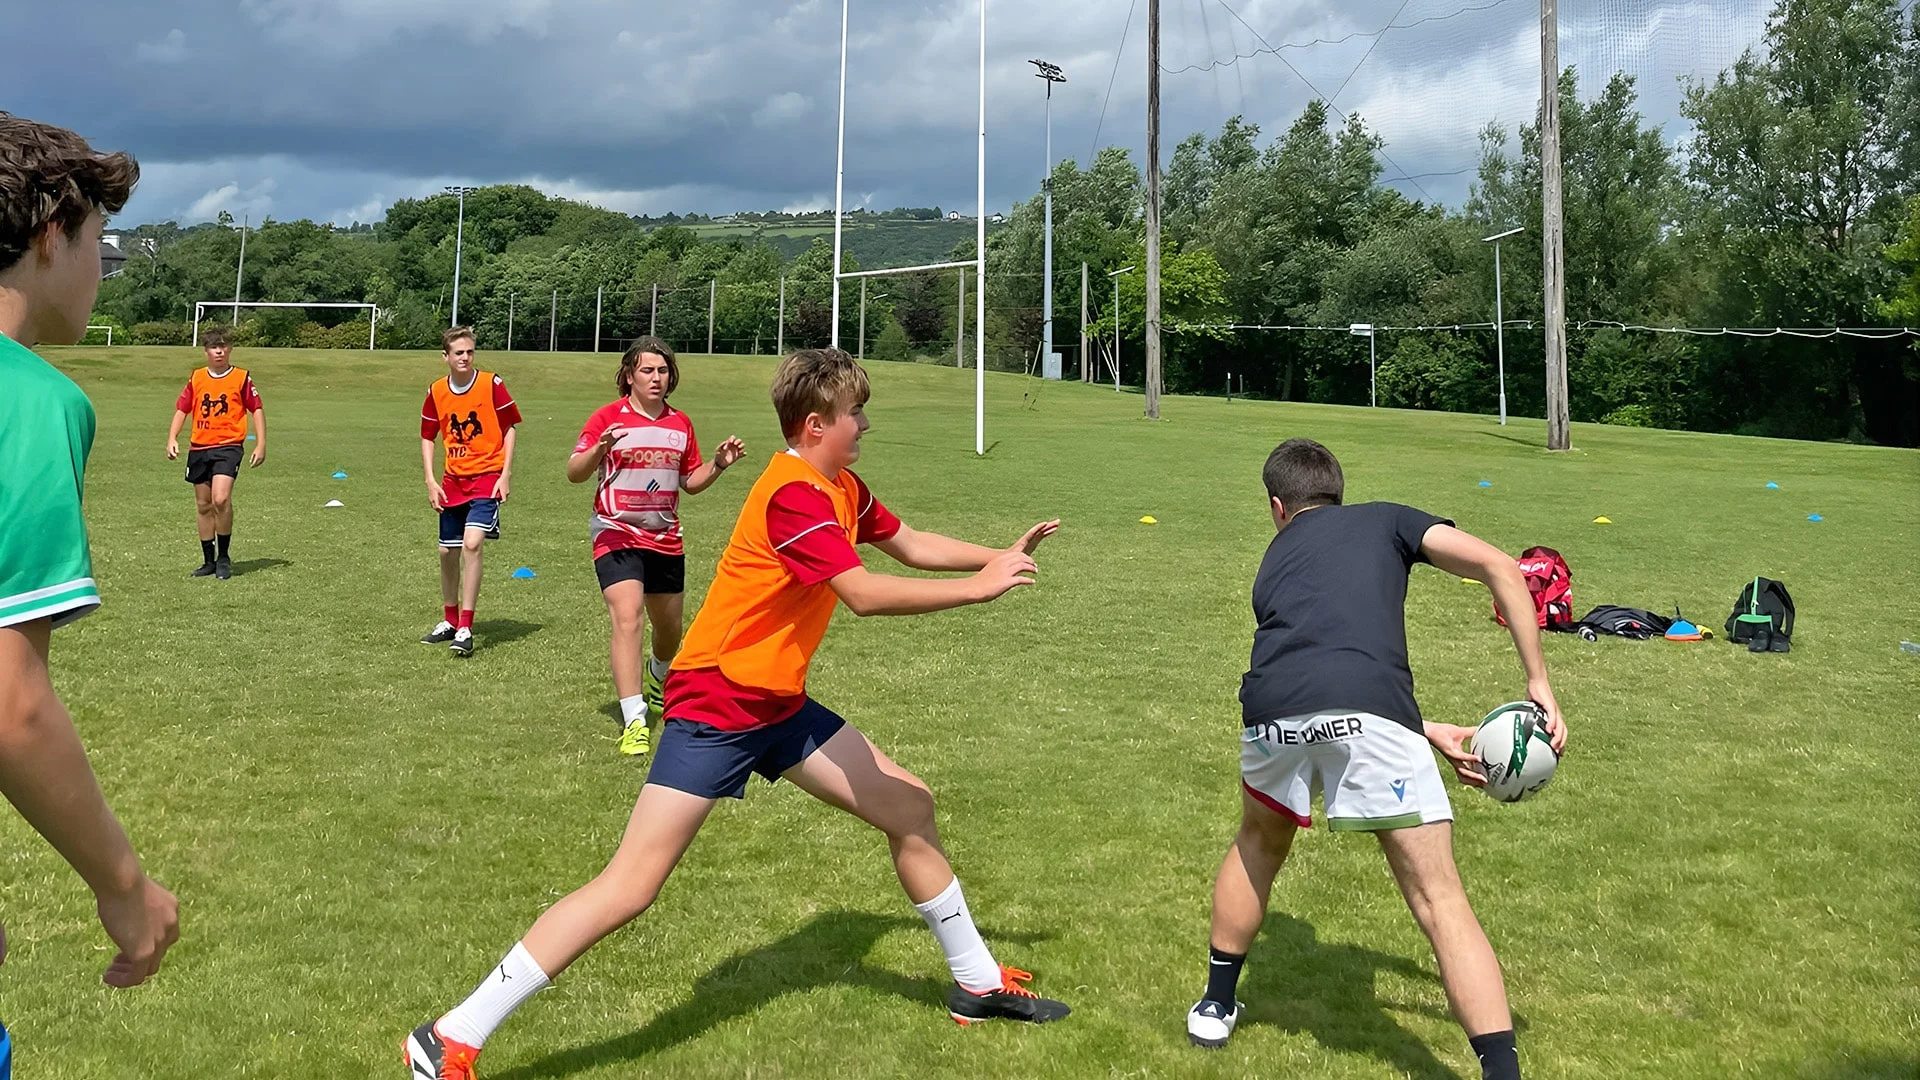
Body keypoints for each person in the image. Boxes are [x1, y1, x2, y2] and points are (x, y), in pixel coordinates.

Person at [406, 348, 1068, 1078]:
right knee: (631, 886)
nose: (865, 424)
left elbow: (907, 544)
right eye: (855, 414)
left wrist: (994, 555)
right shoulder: (792, 494)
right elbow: (862, 592)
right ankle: (449, 1035)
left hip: (775, 701)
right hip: (719, 702)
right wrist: (978, 589)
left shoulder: (841, 486)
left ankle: (977, 984)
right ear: (816, 425)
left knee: (910, 807)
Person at [1186, 437, 1568, 1080]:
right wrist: (1539, 683)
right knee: (1439, 899)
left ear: (1278, 507)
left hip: (1271, 713)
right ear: (1340, 494)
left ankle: (1214, 1006)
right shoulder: (1388, 519)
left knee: (1257, 844)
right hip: (1369, 712)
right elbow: (1502, 567)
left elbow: (1319, 673)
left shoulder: (1274, 559)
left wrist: (1422, 730)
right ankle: (1502, 1071)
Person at [0, 112, 182, 1075]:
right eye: (98, 243)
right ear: (50, 236)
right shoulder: (28, 400)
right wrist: (124, 885)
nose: (100, 268)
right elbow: (8, 699)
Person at [567, 337, 745, 756]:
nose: (656, 378)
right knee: (627, 617)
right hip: (615, 531)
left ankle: (658, 673)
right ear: (629, 375)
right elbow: (574, 472)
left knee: (669, 632)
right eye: (647, 370)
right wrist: (599, 449)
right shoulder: (607, 418)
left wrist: (718, 465)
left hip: (664, 538)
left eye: (662, 371)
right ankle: (635, 720)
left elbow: (690, 482)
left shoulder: (680, 424)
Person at [419, 327, 521, 656]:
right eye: (458, 353)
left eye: (469, 352)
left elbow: (509, 428)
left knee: (472, 544)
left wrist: (505, 475)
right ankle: (449, 620)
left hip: (487, 477)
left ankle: (465, 626)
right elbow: (428, 435)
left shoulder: (491, 384)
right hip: (453, 481)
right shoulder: (436, 390)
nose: (465, 357)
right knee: (446, 552)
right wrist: (430, 480)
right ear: (445, 357)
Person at [166, 324, 266, 579]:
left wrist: (261, 443)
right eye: (214, 347)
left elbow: (256, 408)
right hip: (200, 447)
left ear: (230, 349)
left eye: (223, 346)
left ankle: (223, 558)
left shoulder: (241, 377)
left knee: (220, 499)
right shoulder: (197, 377)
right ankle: (208, 560)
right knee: (203, 505)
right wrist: (172, 438)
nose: (219, 351)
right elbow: (182, 408)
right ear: (206, 351)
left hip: (228, 446)